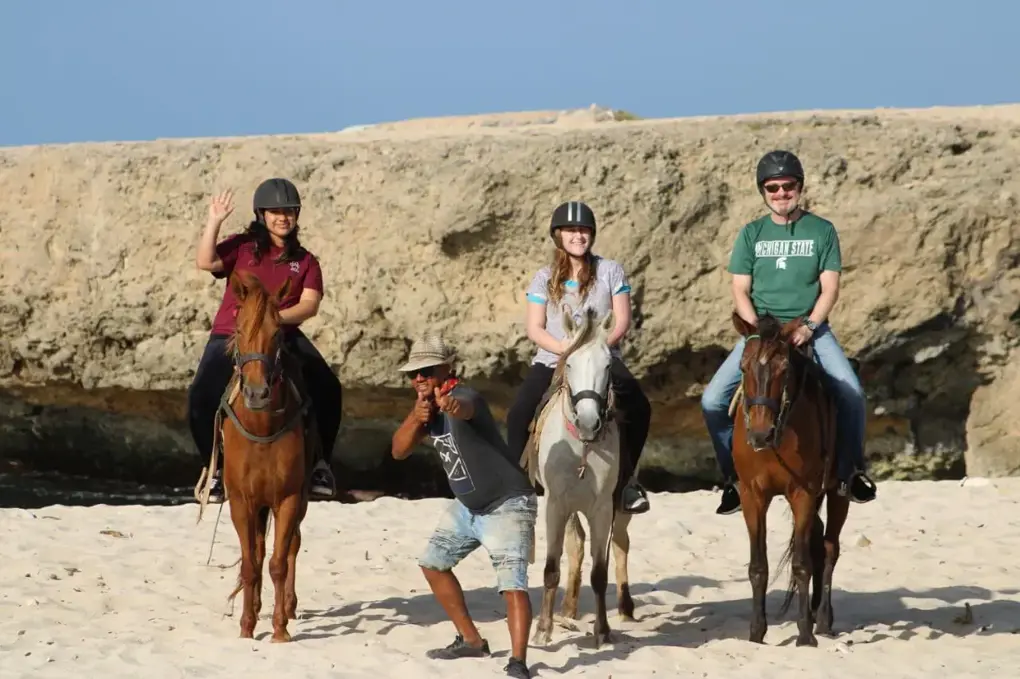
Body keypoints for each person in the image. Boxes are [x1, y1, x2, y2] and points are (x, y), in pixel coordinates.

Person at [700, 150, 878, 516]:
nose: (781, 193)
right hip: (763, 331)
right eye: (773, 187)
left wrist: (810, 326)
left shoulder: (822, 230)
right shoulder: (752, 233)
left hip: (809, 328)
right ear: (763, 191)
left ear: (799, 186)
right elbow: (739, 289)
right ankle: (733, 478)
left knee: (852, 392)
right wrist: (756, 332)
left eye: (788, 185)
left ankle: (850, 472)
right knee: (712, 400)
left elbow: (830, 288)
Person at [187, 178, 341, 503]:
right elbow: (206, 262)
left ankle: (320, 465)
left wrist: (271, 321)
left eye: (289, 212)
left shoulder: (306, 261)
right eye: (275, 212)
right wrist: (214, 221)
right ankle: (213, 469)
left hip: (282, 334)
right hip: (232, 333)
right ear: (262, 214)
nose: (283, 217)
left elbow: (310, 304)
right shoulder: (242, 247)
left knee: (329, 387)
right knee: (200, 395)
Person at [391, 334, 536, 679]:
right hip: (468, 508)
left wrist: (451, 406)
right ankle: (471, 640)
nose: (419, 378)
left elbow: (466, 406)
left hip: (508, 503)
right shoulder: (425, 409)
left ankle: (518, 662)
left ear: (447, 369)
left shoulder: (465, 395)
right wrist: (416, 417)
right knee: (433, 564)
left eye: (427, 371)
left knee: (512, 583)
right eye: (413, 374)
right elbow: (398, 451)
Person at [505, 200, 653, 514]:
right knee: (518, 413)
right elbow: (535, 327)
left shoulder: (610, 270)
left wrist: (596, 349)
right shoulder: (543, 277)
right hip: (553, 358)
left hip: (601, 356)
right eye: (571, 230)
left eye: (584, 230)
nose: (578, 236)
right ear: (558, 235)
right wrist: (565, 350)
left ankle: (627, 482)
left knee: (639, 407)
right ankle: (513, 487)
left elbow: (622, 319)